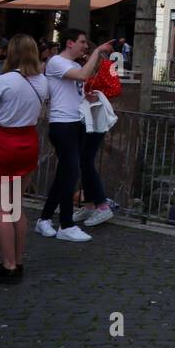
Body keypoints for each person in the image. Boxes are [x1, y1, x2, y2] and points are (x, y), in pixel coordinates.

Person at [0, 35, 49, 283]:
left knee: (0, 207)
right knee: (16, 205)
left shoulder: (2, 81)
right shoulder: (42, 82)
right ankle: (17, 262)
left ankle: (8, 265)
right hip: (28, 141)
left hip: (4, 143)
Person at [36, 29, 114, 243]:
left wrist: (87, 97)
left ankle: (44, 219)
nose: (85, 46)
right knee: (70, 173)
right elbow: (82, 76)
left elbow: (76, 86)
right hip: (62, 124)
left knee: (65, 173)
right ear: (69, 43)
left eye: (87, 44)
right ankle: (66, 225)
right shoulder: (56, 62)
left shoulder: (77, 65)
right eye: (82, 42)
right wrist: (98, 51)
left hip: (75, 122)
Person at [74, 54, 120, 229]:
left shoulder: (108, 65)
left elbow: (116, 88)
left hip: (97, 118)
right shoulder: (89, 68)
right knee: (84, 161)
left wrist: (97, 94)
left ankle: (101, 204)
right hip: (88, 116)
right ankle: (90, 205)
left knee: (86, 161)